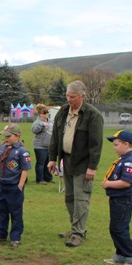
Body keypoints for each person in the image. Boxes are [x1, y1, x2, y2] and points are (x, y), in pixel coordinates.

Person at [47, 80, 105, 248]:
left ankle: (78, 233)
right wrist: (52, 158)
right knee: (70, 197)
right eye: (67, 96)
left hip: (83, 163)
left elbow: (96, 144)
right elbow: (55, 138)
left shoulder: (92, 115)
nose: (69, 99)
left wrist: (92, 167)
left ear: (82, 96)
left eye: (72, 97)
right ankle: (75, 228)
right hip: (67, 160)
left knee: (81, 199)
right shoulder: (63, 112)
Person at [101, 130, 132, 265]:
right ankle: (120, 254)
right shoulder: (123, 159)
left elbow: (126, 182)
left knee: (120, 228)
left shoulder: (130, 161)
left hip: (124, 199)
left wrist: (108, 184)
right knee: (115, 228)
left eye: (116, 145)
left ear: (126, 144)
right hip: (116, 198)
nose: (114, 147)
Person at [0, 124, 31, 247]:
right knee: (2, 210)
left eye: (8, 136)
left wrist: (20, 185)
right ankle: (1, 233)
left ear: (17, 136)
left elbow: (25, 169)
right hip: (1, 184)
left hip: (14, 186)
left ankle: (15, 237)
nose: (6, 138)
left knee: (15, 212)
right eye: (5, 136)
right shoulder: (2, 148)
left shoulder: (22, 151)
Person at [31, 104, 54, 184]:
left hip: (49, 146)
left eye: (47, 113)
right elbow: (34, 130)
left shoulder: (51, 121)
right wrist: (42, 125)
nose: (47, 114)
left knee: (48, 163)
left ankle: (48, 178)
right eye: (45, 113)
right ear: (40, 114)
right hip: (40, 146)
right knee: (41, 163)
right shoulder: (37, 122)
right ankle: (40, 179)